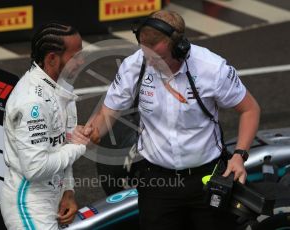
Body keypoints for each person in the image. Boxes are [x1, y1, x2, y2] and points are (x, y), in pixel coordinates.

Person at [73, 10, 260, 230]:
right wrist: (91, 132)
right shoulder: (135, 65)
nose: (151, 63)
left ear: (180, 47)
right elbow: (107, 114)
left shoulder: (212, 68)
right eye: (146, 55)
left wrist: (239, 156)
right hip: (157, 183)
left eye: (158, 57)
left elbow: (250, 109)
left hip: (206, 178)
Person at [0, 22, 89, 230]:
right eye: (76, 56)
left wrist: (68, 191)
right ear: (51, 58)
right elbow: (36, 168)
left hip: (54, 197)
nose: (82, 61)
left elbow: (62, 144)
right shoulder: (32, 102)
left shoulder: (62, 88)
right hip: (29, 204)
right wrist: (82, 145)